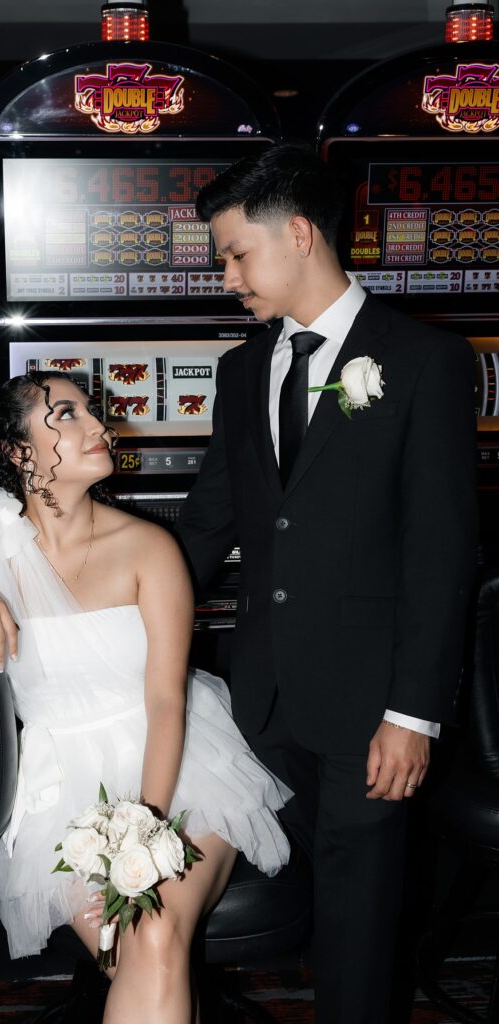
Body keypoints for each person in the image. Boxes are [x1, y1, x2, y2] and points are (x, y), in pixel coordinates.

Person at [0, 370, 291, 1024]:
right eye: (66, 415)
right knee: (142, 949)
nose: (100, 427)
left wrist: (144, 828)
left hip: (180, 767)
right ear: (19, 452)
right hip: (59, 782)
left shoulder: (149, 547)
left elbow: (166, 703)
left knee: (153, 937)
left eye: (93, 413)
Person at [175, 142, 478, 1024]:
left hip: (371, 710)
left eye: (236, 254)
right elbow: (208, 524)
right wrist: (113, 613)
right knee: (281, 904)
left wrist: (413, 713)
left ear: (299, 233)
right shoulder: (242, 370)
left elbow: (442, 551)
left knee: (359, 927)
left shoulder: (425, 361)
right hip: (259, 698)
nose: (228, 277)